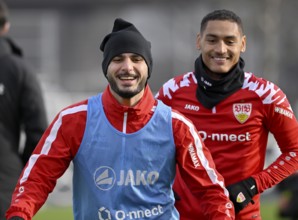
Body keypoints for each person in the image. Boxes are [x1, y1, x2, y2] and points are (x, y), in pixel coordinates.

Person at [5, 18, 235, 220]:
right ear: (106, 67)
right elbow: (37, 179)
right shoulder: (74, 120)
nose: (128, 67)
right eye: (118, 59)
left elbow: (212, 192)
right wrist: (18, 214)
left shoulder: (176, 126)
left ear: (147, 66)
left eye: (136, 59)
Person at [156, 9, 298, 220]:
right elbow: (147, 145)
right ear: (199, 41)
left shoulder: (267, 95)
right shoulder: (172, 92)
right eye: (212, 40)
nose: (220, 49)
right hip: (181, 216)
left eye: (230, 41)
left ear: (242, 44)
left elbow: (294, 152)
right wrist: (160, 185)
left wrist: (254, 185)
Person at [0, 1, 48, 219]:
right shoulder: (20, 70)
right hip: (4, 185)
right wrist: (18, 170)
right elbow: (38, 134)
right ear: (6, 26)